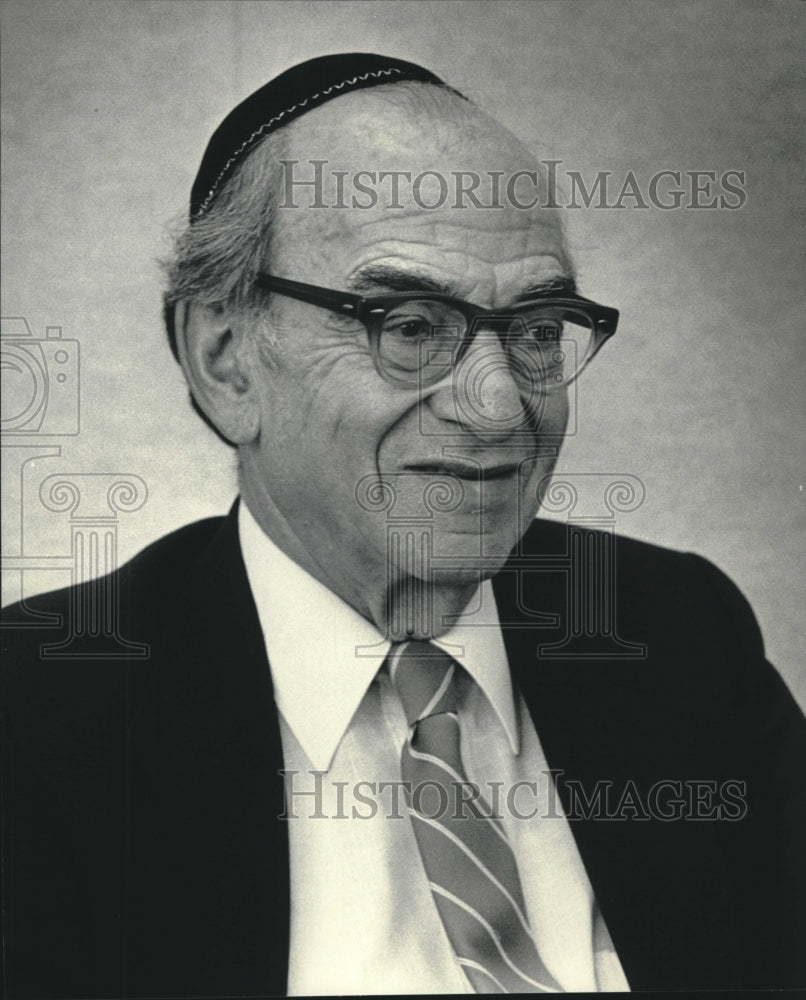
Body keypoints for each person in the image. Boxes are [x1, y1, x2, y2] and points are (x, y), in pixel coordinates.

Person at [2, 53, 804, 998]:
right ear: (224, 358)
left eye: (540, 329)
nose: (500, 406)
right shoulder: (35, 725)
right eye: (412, 325)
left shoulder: (676, 631)